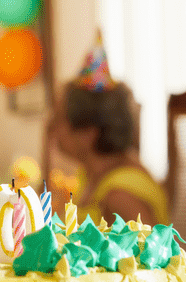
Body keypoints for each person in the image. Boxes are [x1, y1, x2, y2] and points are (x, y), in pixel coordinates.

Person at [51, 34, 169, 225]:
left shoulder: (120, 195)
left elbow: (151, 253)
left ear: (87, 133)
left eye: (57, 121)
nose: (52, 132)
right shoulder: (91, 178)